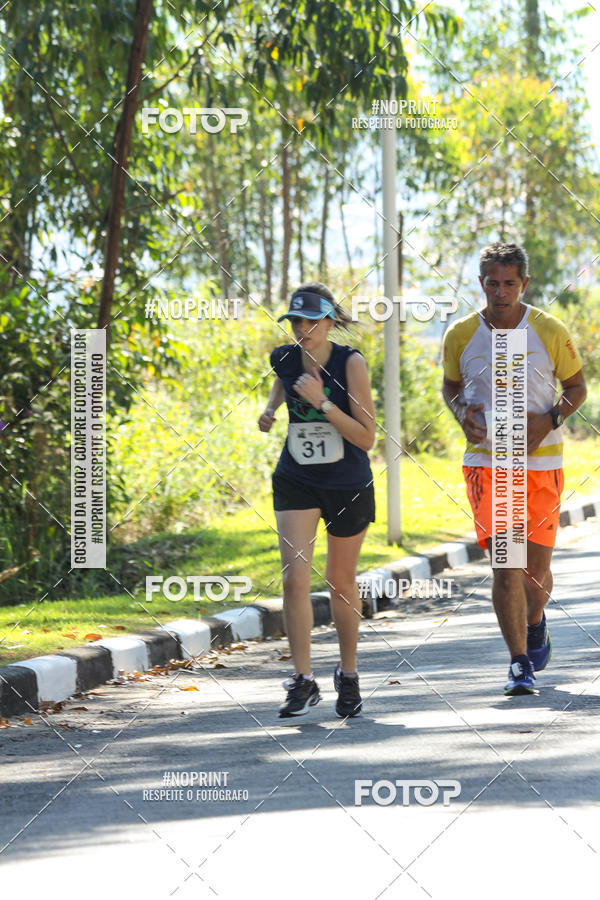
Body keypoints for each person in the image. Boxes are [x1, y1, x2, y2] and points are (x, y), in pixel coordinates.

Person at [442, 242, 587, 695]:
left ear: (524, 284)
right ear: (481, 284)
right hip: (489, 465)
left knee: (534, 573)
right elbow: (450, 385)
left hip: (541, 465)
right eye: (492, 283)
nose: (500, 292)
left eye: (509, 283)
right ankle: (519, 663)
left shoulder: (548, 329)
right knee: (507, 565)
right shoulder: (461, 334)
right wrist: (459, 410)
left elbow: (577, 386)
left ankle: (536, 618)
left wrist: (548, 420)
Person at [258, 282, 376, 718]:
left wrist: (322, 402)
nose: (303, 329)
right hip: (296, 480)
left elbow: (366, 437)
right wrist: (271, 410)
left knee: (340, 584)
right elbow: (282, 382)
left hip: (346, 482)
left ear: (329, 321)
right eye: (295, 322)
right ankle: (303, 680)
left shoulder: (351, 363)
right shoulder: (285, 357)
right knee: (294, 579)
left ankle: (348, 674)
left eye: (311, 321)